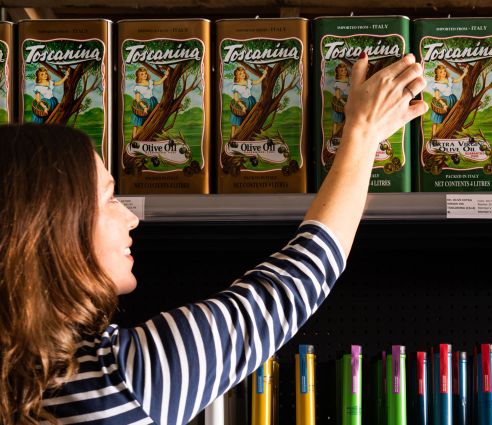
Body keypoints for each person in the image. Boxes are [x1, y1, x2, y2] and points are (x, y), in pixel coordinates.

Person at [0, 52, 427, 424]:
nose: (130, 220)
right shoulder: (121, 380)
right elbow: (299, 277)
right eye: (110, 198)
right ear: (54, 226)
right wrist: (363, 132)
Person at [131, 66, 169, 140]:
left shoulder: (150, 82)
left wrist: (166, 75)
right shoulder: (137, 87)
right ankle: (134, 139)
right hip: (144, 103)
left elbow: (159, 82)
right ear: (138, 76)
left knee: (150, 120)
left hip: (153, 102)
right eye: (142, 74)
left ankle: (143, 137)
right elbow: (138, 99)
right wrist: (144, 107)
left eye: (145, 73)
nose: (144, 75)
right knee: (137, 121)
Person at [430, 63, 467, 138]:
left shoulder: (449, 79)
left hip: (452, 99)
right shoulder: (437, 84)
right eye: (441, 72)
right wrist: (443, 104)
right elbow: (437, 97)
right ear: (437, 74)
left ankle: (447, 134)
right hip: (444, 100)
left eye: (444, 71)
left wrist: (465, 73)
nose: (443, 73)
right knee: (436, 118)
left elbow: (457, 80)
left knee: (450, 117)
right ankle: (434, 137)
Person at [230, 66, 267, 139]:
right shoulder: (236, 86)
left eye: (243, 72)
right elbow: (236, 98)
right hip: (243, 102)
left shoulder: (248, 81)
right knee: (235, 117)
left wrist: (264, 75)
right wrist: (242, 106)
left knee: (248, 119)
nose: (243, 74)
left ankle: (243, 135)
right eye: (240, 74)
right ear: (237, 76)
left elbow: (257, 82)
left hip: (251, 101)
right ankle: (233, 137)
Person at [331, 62, 350, 139]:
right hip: (341, 101)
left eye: (345, 70)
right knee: (337, 120)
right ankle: (334, 136)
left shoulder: (349, 79)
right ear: (338, 72)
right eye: (341, 70)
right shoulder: (337, 83)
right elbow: (338, 95)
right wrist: (344, 103)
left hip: (350, 99)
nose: (344, 72)